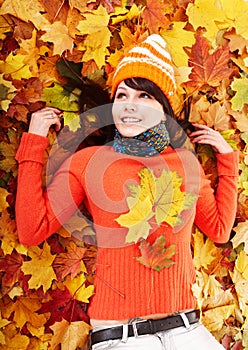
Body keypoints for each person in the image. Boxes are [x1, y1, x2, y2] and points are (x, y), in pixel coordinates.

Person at [15, 34, 239, 349]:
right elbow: (31, 229)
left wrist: (229, 162)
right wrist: (35, 143)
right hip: (123, 336)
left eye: (144, 97)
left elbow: (218, 230)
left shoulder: (185, 163)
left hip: (188, 329)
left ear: (164, 109)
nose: (130, 106)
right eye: (122, 96)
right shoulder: (89, 163)